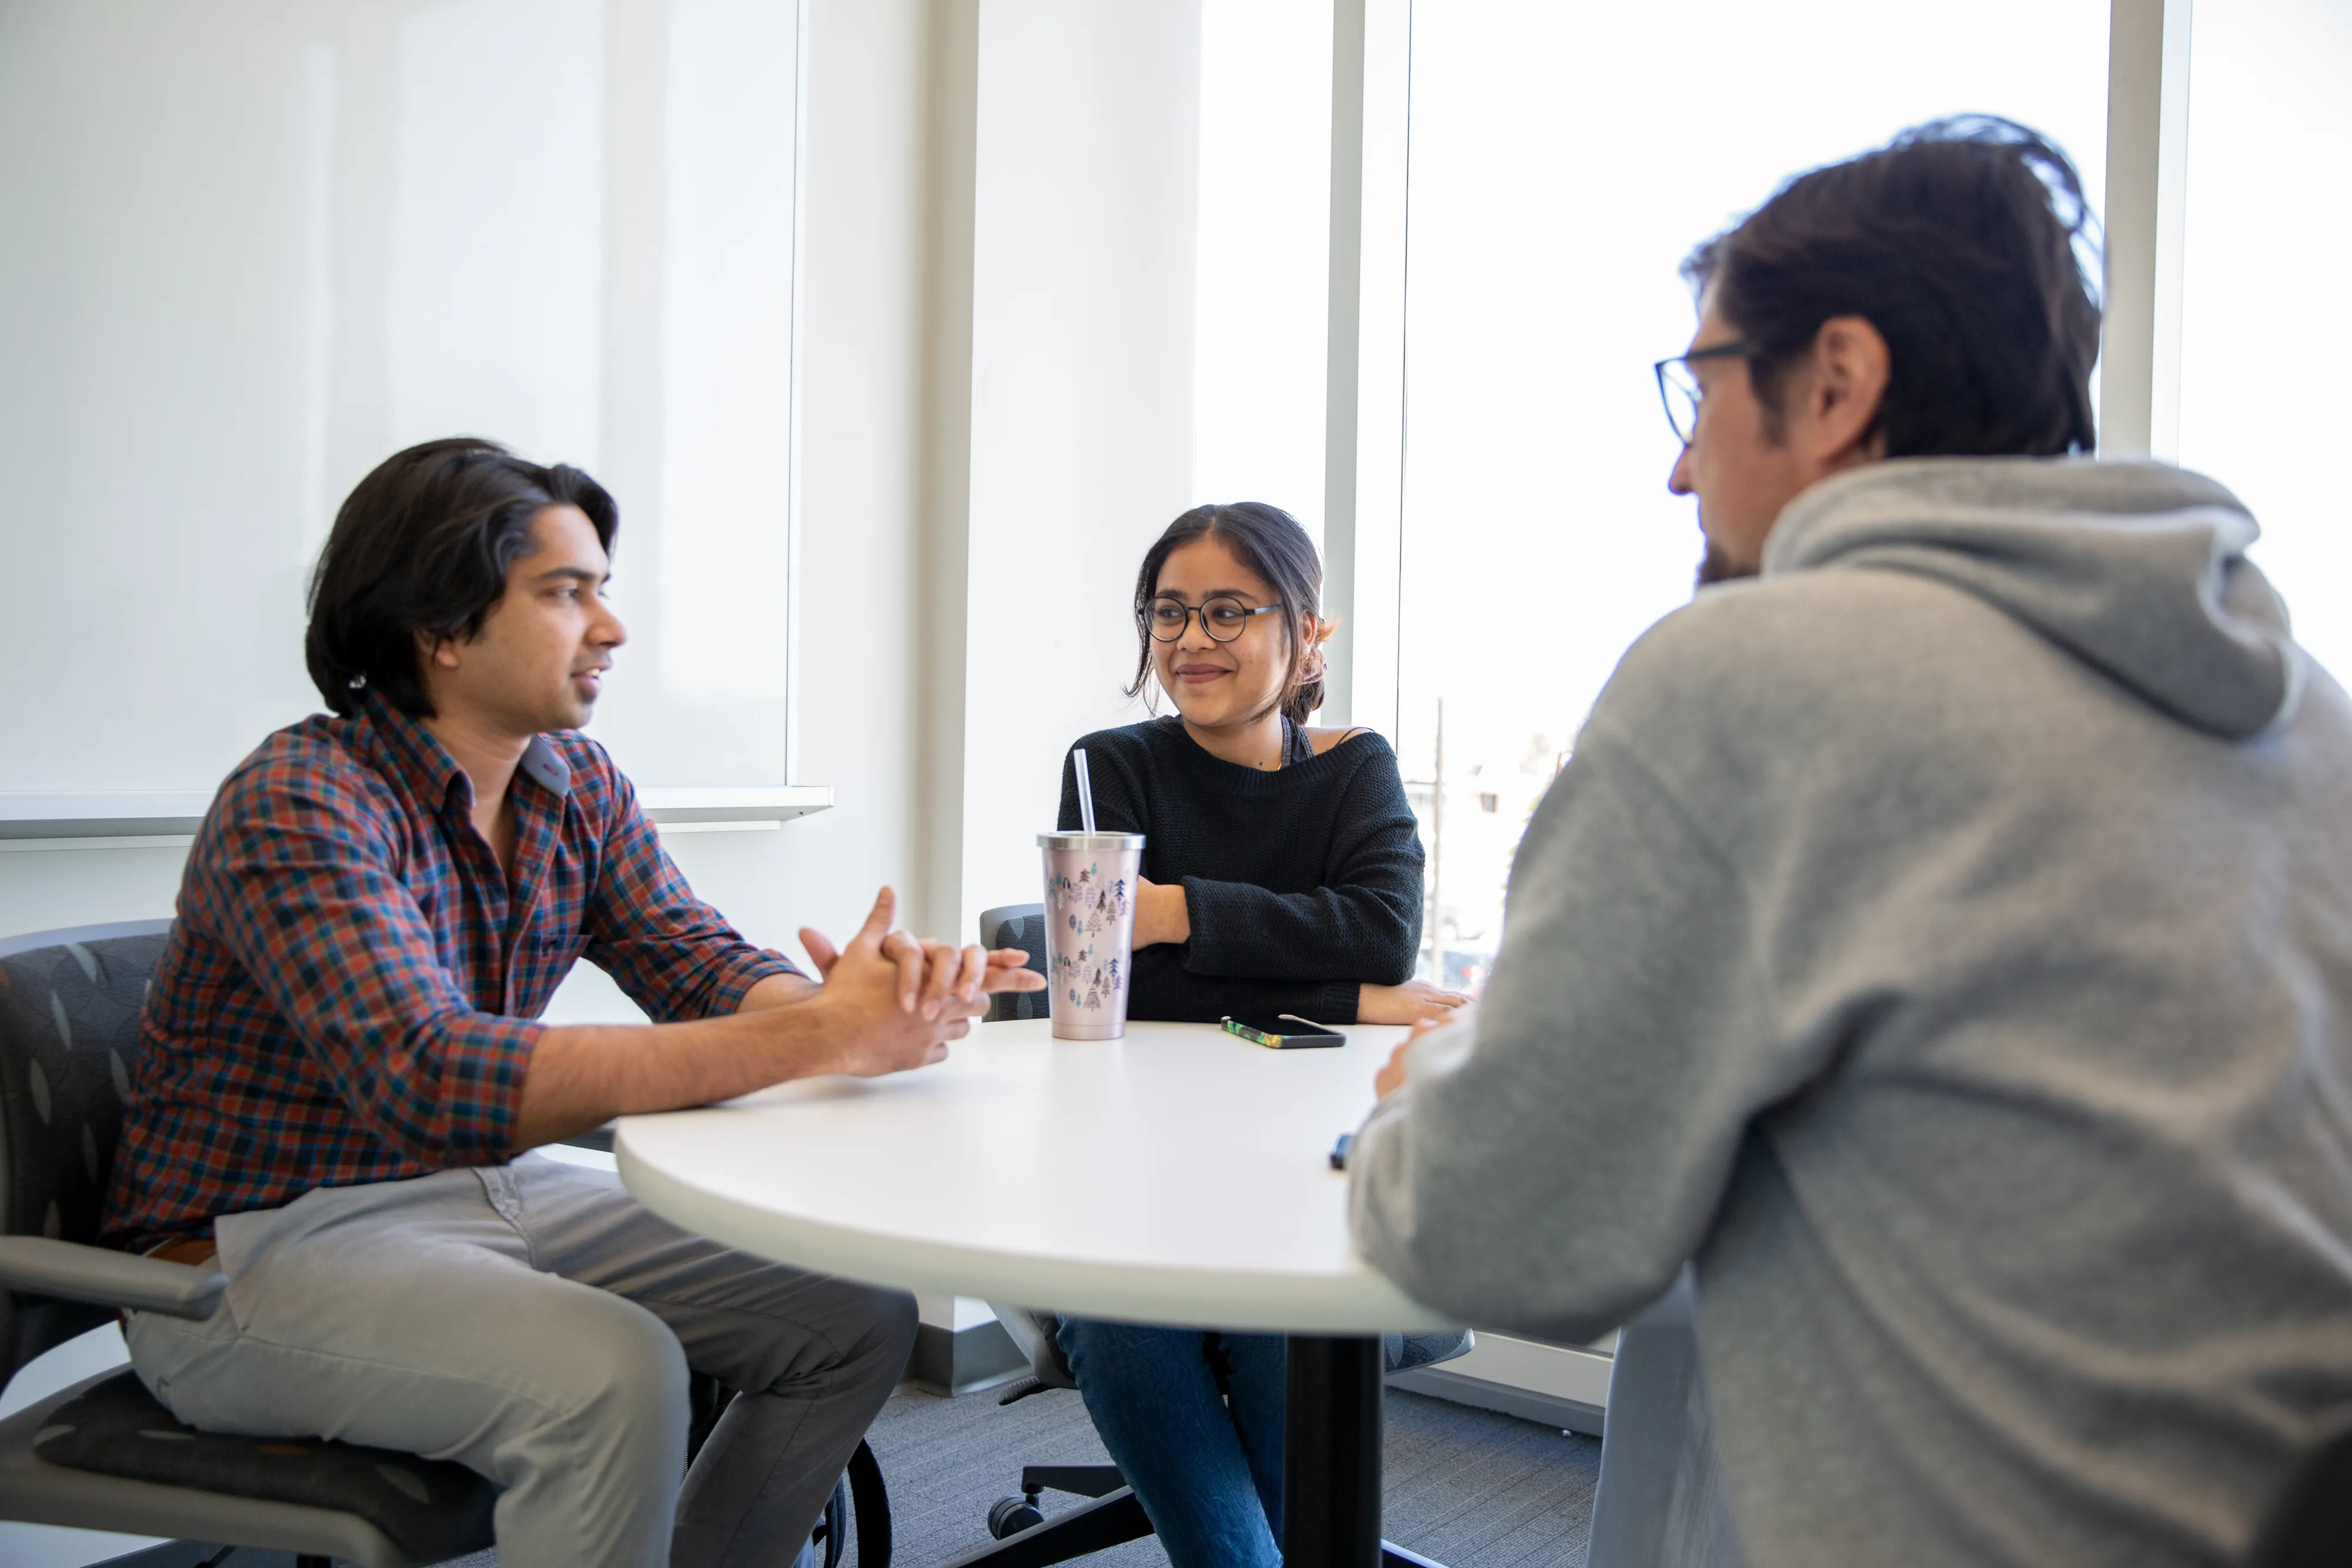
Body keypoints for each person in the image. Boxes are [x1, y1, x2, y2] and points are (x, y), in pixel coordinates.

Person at [1346, 116, 2352, 1568]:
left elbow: (1489, 1237)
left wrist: (1431, 1079)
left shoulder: (1754, 678)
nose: (1679, 476)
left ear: (1833, 382)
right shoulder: (2298, 706)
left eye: (1696, 392)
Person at [102, 438, 1042, 1568]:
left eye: (605, 588)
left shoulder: (573, 784)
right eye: (566, 592)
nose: (613, 627)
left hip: (474, 1192)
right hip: (245, 1257)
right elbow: (433, 1077)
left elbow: (693, 960)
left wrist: (847, 1006)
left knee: (857, 1314)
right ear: (440, 627)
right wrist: (817, 1032)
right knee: (616, 1370)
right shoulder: (300, 799)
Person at [1046, 502, 1465, 1568]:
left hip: (1302, 1167)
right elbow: (1116, 984)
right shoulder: (1111, 768)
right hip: (1135, 1167)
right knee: (1117, 1314)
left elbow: (1385, 930)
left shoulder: (1353, 767)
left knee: (1289, 1322)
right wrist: (1347, 997)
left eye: (1228, 610)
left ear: (1309, 631)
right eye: (1169, 612)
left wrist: (1180, 913)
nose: (1191, 641)